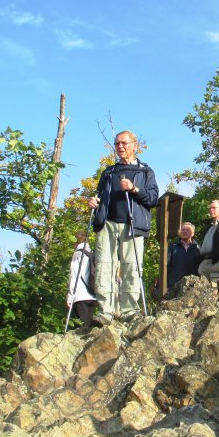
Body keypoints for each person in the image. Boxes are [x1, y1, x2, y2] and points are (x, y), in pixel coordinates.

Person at [88, 130, 159, 324]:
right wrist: (94, 202)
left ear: (135, 145)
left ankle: (129, 310)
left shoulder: (145, 172)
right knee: (104, 266)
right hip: (107, 223)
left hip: (133, 224)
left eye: (124, 143)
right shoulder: (109, 171)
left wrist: (134, 189)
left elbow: (153, 199)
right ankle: (106, 311)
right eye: (117, 143)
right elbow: (100, 195)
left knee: (131, 266)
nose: (120, 146)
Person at [66, 231, 97, 329]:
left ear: (76, 242)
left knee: (81, 328)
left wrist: (70, 297)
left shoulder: (77, 254)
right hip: (92, 295)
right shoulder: (91, 253)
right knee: (88, 328)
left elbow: (74, 276)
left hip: (80, 296)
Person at [167, 222, 201, 289]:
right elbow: (167, 265)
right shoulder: (172, 246)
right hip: (174, 284)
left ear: (193, 233)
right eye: (183, 230)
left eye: (188, 230)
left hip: (192, 285)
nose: (185, 231)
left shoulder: (197, 248)